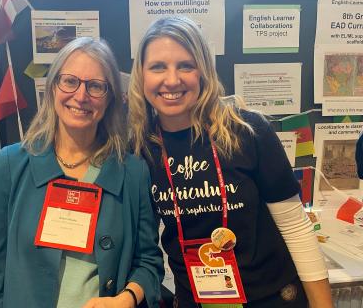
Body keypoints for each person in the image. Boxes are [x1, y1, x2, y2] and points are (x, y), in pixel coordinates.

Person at [128, 16, 333, 308]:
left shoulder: (248, 131)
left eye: (186, 65)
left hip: (272, 299)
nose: (172, 80)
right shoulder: (140, 150)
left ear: (203, 72)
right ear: (142, 76)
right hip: (195, 302)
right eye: (158, 67)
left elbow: (296, 228)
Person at [0, 37, 164, 308]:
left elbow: (149, 262)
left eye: (96, 86)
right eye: (70, 81)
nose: (81, 96)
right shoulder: (11, 166)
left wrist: (126, 298)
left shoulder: (132, 173)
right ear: (52, 87)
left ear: (110, 99)